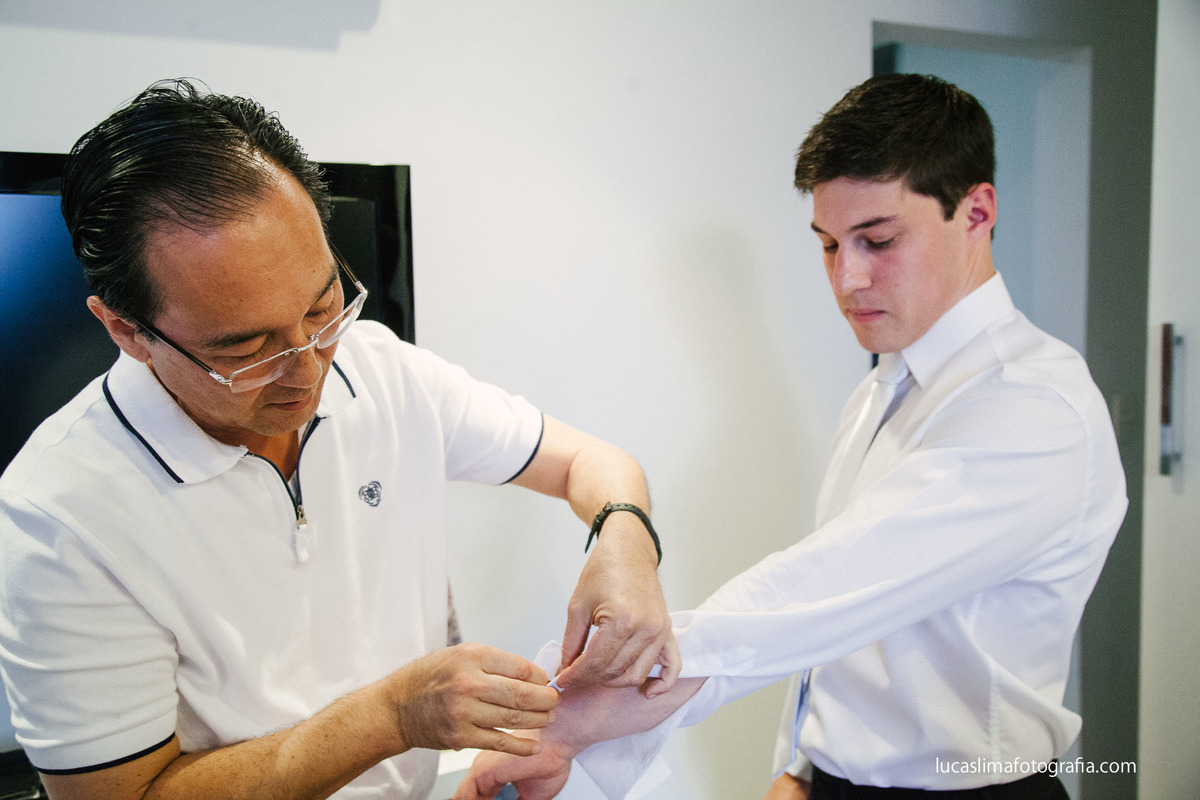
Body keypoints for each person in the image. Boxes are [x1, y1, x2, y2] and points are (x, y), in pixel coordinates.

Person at [0, 79, 679, 800]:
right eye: (246, 349)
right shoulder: (63, 517)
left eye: (323, 306)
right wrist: (394, 715)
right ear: (126, 330)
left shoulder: (379, 367)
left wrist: (626, 540)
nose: (308, 369)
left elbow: (589, 462)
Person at [454, 73, 1127, 800]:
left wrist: (575, 718)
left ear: (977, 211)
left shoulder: (1035, 408)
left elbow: (827, 585)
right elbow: (836, 618)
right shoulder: (881, 390)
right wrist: (800, 764)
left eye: (877, 240)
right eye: (830, 244)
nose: (847, 278)